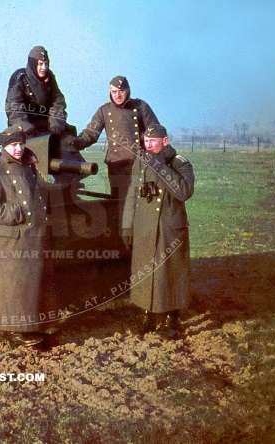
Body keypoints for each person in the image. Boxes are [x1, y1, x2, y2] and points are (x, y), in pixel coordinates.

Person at [0, 129, 52, 346]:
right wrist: (17, 213)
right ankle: (15, 332)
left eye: (20, 144)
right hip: (12, 239)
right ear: (4, 147)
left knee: (26, 287)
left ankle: (25, 328)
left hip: (32, 236)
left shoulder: (29, 165)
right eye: (13, 145)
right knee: (12, 287)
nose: (18, 149)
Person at [121, 124, 194, 339]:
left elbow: (184, 191)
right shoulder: (141, 162)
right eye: (146, 141)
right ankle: (148, 316)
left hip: (169, 227)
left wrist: (161, 167)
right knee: (147, 272)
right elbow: (132, 195)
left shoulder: (179, 163)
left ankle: (172, 319)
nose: (149, 145)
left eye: (154, 141)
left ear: (166, 140)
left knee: (170, 273)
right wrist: (127, 225)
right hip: (145, 226)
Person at [65, 76, 159, 199]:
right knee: (119, 203)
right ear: (110, 92)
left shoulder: (141, 106)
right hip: (117, 165)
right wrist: (77, 141)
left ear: (128, 91)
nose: (117, 95)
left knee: (142, 203)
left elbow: (156, 133)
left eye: (121, 91)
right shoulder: (104, 110)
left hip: (140, 163)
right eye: (114, 92)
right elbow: (90, 133)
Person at [5, 46, 68, 137]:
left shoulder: (50, 78)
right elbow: (14, 107)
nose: (44, 68)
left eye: (46, 64)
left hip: (47, 125)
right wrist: (25, 126)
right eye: (40, 64)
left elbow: (58, 103)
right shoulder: (19, 79)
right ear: (33, 64)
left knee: (68, 135)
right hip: (23, 127)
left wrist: (56, 124)